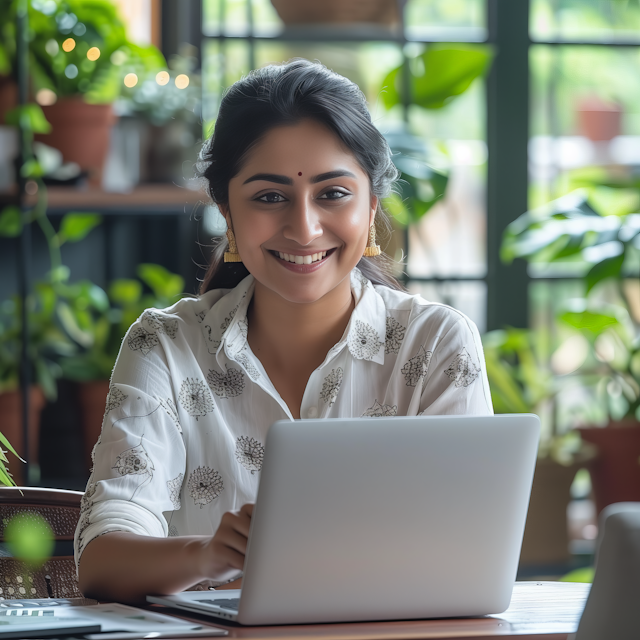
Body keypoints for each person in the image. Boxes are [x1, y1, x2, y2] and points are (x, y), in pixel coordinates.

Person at [75, 59, 493, 603]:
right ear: (227, 211)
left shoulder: (436, 345)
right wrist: (208, 554)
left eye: (333, 193)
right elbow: (103, 558)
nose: (304, 227)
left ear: (371, 209)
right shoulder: (167, 345)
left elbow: (467, 552)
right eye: (269, 197)